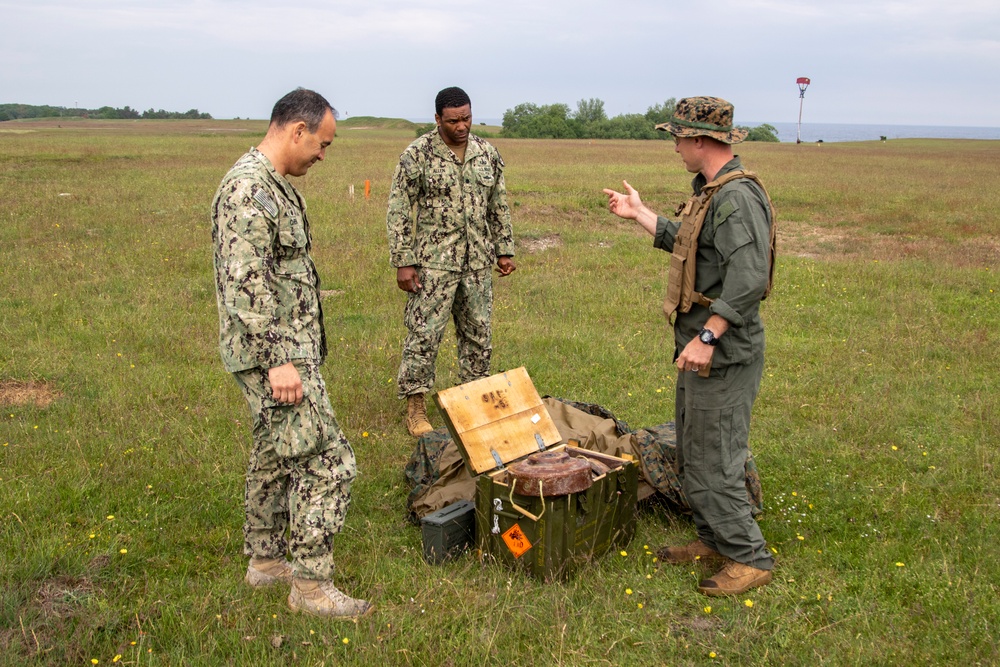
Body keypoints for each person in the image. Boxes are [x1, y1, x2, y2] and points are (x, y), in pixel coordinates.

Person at [603, 96, 776, 596]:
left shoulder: (736, 197)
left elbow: (748, 278)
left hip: (720, 352)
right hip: (700, 352)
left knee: (714, 455)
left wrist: (708, 335)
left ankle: (748, 557)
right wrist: (640, 215)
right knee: (693, 450)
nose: (675, 146)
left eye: (678, 137)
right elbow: (692, 243)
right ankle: (713, 538)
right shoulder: (713, 191)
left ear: (700, 140)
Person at [211, 88, 372, 619]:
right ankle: (309, 587)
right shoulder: (249, 191)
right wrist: (279, 359)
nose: (323, 155)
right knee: (329, 461)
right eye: (321, 144)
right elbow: (246, 282)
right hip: (274, 355)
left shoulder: (274, 185)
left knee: (273, 451)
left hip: (284, 348)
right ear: (297, 131)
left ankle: (264, 561)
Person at [386, 86, 516, 436]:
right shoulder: (418, 155)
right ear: (437, 119)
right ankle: (416, 407)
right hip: (432, 265)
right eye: (453, 120)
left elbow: (498, 205)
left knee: (478, 335)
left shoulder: (486, 154)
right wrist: (403, 260)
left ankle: (474, 402)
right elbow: (399, 208)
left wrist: (504, 249)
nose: (461, 126)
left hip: (476, 264)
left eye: (467, 118)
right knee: (424, 335)